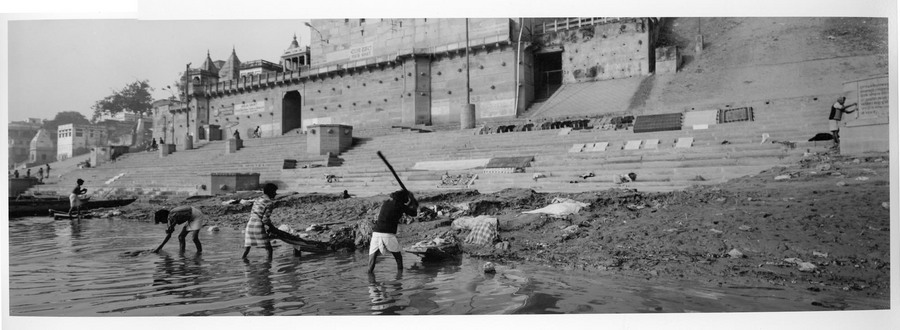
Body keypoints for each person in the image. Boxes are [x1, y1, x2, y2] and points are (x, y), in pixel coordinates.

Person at [368, 190, 418, 273]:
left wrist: (411, 202)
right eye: (406, 198)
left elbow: (403, 207)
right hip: (388, 234)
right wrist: (413, 201)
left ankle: (370, 281)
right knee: (398, 258)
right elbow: (414, 213)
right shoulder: (401, 206)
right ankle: (399, 279)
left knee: (372, 259)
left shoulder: (386, 203)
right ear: (403, 198)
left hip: (376, 233)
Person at [242, 183, 279, 260]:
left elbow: (254, 213)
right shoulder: (269, 203)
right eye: (275, 191)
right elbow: (265, 219)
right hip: (258, 225)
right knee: (269, 249)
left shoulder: (257, 199)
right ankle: (267, 267)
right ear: (271, 192)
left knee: (247, 249)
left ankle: (244, 262)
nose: (276, 194)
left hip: (250, 224)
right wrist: (273, 228)